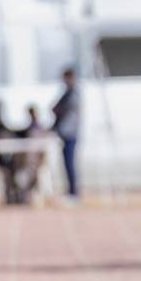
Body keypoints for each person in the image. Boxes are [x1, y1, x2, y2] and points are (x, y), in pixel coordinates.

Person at [51, 67, 80, 197]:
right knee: (66, 164)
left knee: (70, 163)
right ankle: (70, 191)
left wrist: (58, 109)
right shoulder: (67, 93)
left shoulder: (73, 94)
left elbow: (62, 109)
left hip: (70, 133)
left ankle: (73, 192)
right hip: (64, 133)